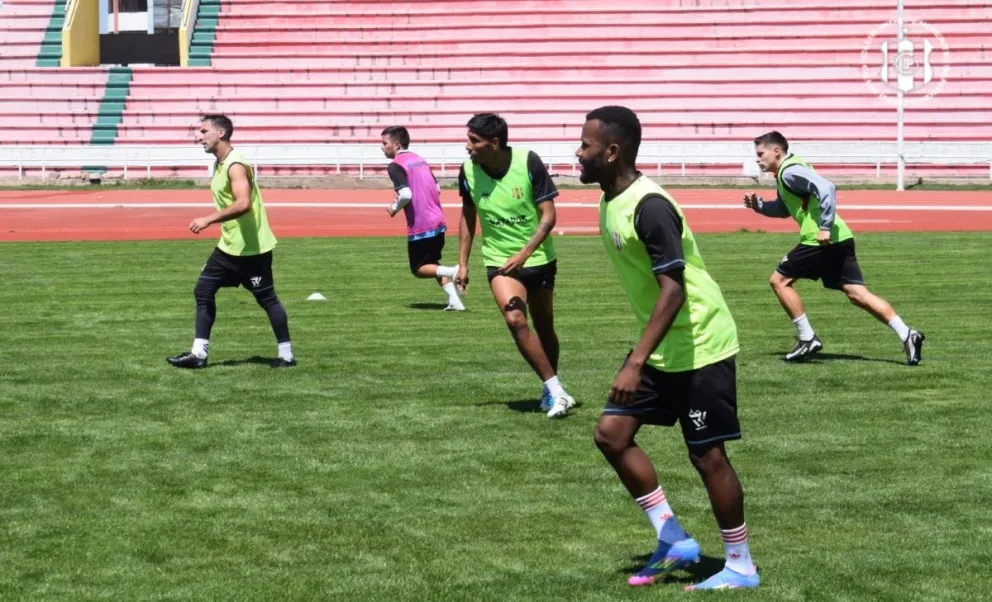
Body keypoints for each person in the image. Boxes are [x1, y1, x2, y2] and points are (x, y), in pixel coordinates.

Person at [577, 106, 759, 590]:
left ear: (611, 152)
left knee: (707, 456)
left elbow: (674, 290)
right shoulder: (610, 198)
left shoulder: (649, 206)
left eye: (586, 145)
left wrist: (635, 362)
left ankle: (740, 565)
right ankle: (673, 539)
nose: (579, 152)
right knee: (611, 435)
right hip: (662, 345)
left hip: (700, 343)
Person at [745, 131, 925, 365]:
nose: (757, 159)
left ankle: (807, 338)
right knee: (858, 295)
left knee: (779, 281)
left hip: (820, 241)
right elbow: (784, 208)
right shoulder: (786, 173)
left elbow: (827, 188)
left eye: (761, 154)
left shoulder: (790, 171)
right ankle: (907, 334)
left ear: (776, 151)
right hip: (841, 238)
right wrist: (758, 206)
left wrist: (825, 227)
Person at [454, 113, 576, 418]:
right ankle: (558, 392)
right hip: (498, 260)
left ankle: (549, 391)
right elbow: (468, 218)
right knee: (516, 320)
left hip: (538, 259)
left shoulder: (528, 161)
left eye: (474, 140)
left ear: (494, 143)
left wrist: (524, 254)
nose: (467, 146)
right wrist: (462, 263)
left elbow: (548, 216)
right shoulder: (468, 170)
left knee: (544, 325)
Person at [167, 114, 296, 369]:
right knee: (203, 290)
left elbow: (243, 204)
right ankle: (199, 355)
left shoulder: (236, 164)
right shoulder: (220, 163)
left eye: (204, 131)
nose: (198, 137)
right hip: (229, 247)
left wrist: (208, 219)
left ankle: (287, 355)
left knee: (267, 299)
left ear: (221, 133)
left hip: (252, 249)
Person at [381, 126, 464, 311]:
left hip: (421, 225)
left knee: (418, 269)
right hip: (438, 220)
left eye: (384, 143)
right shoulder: (420, 160)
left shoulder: (396, 165)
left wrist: (394, 208)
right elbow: (438, 188)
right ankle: (455, 302)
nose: (382, 148)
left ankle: (454, 271)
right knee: (432, 264)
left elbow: (405, 194)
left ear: (396, 144)